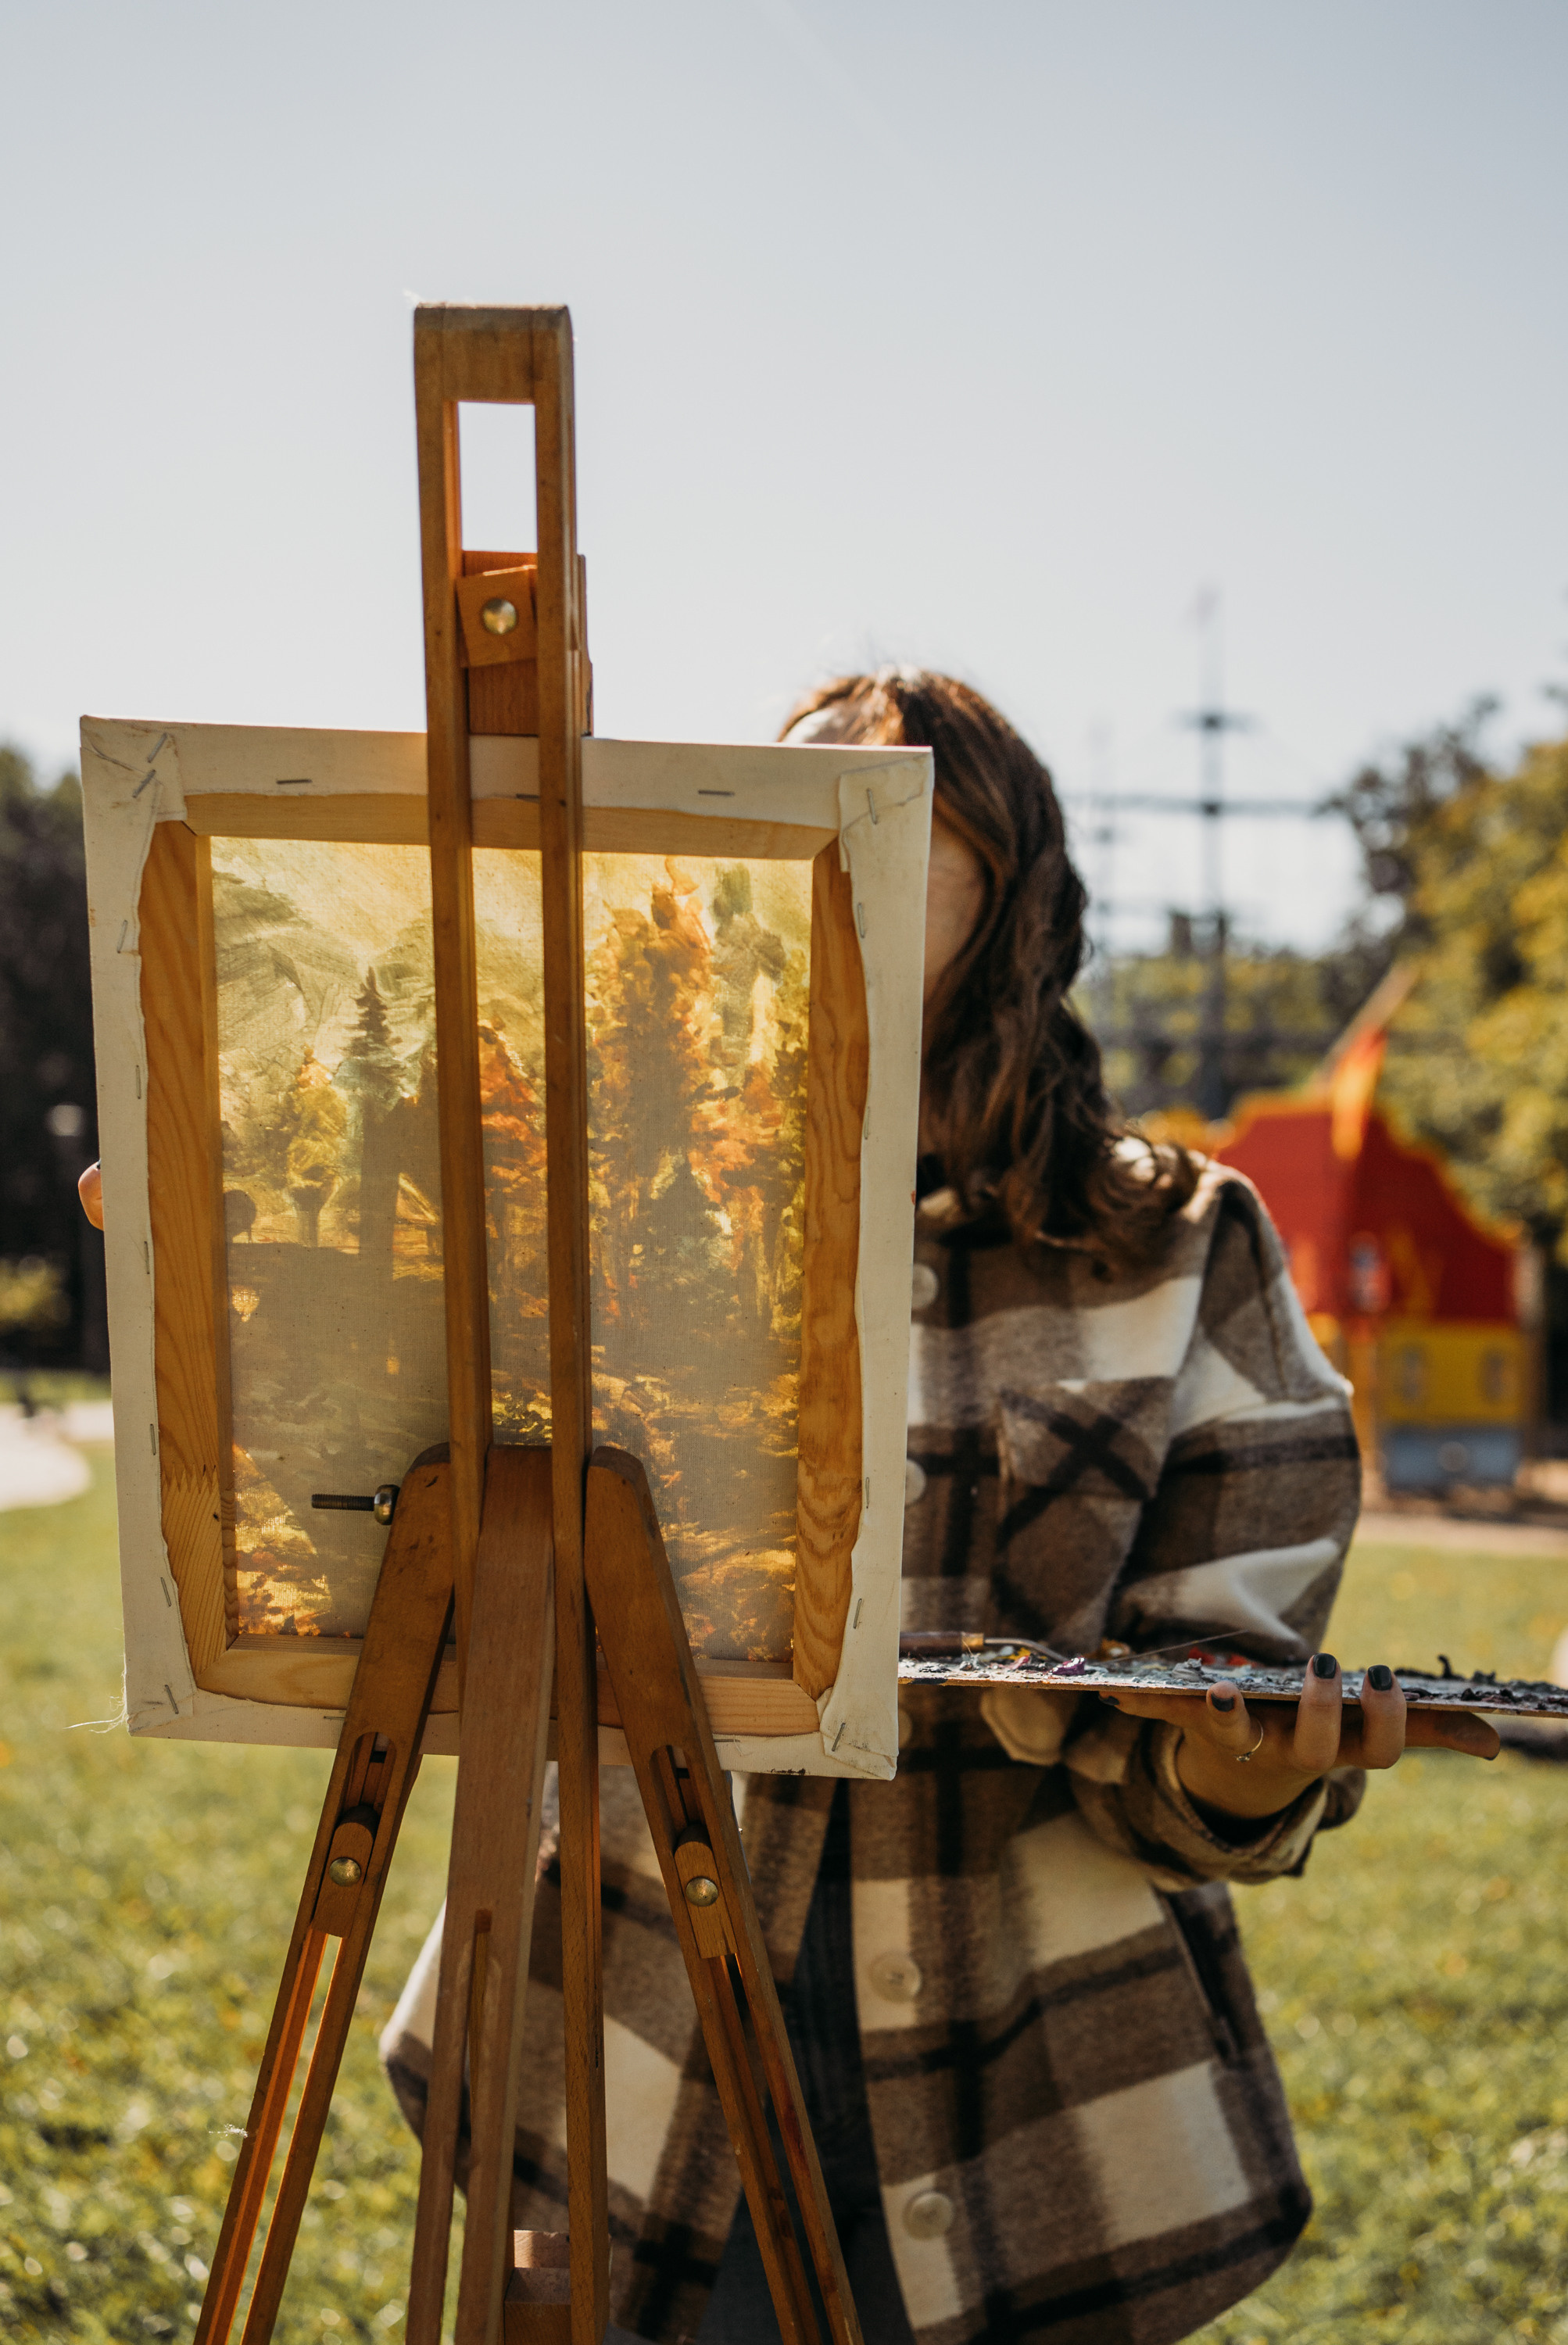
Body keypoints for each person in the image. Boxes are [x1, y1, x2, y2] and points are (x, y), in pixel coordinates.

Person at [377, 668, 1503, 2344]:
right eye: (783, 822)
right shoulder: (593, 1189)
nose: (830, 860)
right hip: (627, 2024)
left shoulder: (1181, 1244)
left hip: (1033, 2094)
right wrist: (242, 1255)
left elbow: (1204, 1707)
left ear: (1010, 901)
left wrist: (1226, 1761)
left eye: (898, 825)